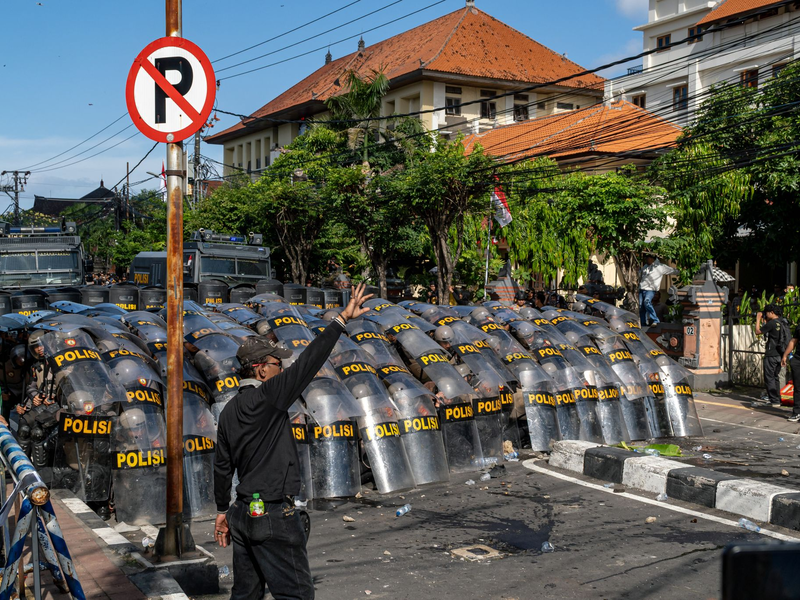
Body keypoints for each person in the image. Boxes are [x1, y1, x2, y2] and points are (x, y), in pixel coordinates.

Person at [213, 284, 373, 600]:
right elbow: (308, 363)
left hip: (243, 514)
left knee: (246, 595)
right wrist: (341, 319)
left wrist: (222, 511)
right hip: (272, 515)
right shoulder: (270, 396)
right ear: (260, 369)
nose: (282, 368)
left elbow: (221, 466)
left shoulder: (229, 411)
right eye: (277, 364)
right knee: (297, 594)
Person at [755, 304, 786, 408]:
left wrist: (758, 319)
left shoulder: (772, 323)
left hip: (771, 354)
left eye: (767, 313)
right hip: (781, 354)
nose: (766, 315)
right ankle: (777, 399)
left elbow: (758, 331)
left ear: (772, 312)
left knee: (769, 377)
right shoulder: (783, 322)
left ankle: (774, 400)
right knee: (775, 377)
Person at [638, 254, 677, 327]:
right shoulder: (646, 267)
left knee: (647, 301)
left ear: (651, 258)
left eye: (647, 258)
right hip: (642, 288)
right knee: (641, 305)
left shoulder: (660, 267)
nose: (646, 260)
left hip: (651, 289)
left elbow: (671, 270)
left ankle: (655, 319)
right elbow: (640, 276)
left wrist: (679, 271)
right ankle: (643, 323)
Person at [782, 321, 800, 422]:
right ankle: (797, 413)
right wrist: (785, 355)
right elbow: (793, 341)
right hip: (798, 360)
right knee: (797, 388)